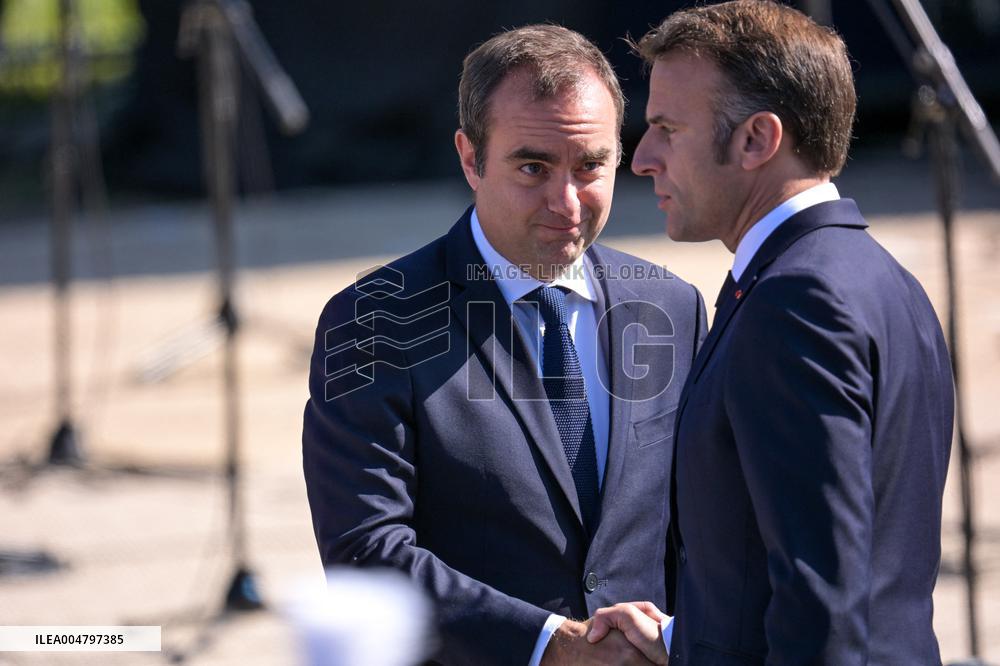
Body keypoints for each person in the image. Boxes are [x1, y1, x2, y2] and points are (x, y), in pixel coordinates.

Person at [302, 24, 707, 666]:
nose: (566, 202)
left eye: (590, 166)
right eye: (532, 167)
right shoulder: (375, 319)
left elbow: (703, 523)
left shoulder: (670, 306)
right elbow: (365, 551)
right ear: (470, 158)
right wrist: (550, 645)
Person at [587, 2, 955, 664]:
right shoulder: (876, 279)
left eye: (668, 129)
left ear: (756, 139)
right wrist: (686, 637)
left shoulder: (796, 300)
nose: (641, 158)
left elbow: (822, 602)